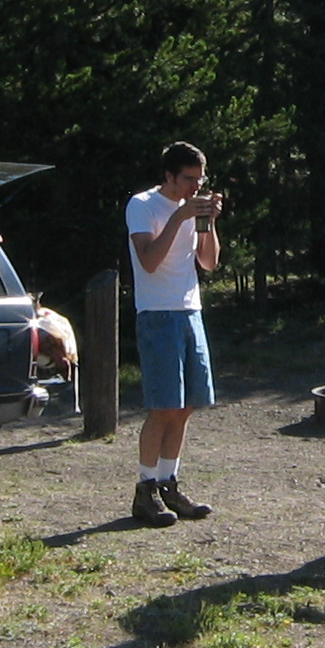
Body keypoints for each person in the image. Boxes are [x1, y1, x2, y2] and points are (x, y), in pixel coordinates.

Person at [125, 141, 222, 527]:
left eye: (201, 180)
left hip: (190, 311)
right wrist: (180, 217)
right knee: (163, 406)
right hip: (157, 314)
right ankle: (144, 489)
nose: (195, 187)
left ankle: (169, 483)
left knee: (185, 407)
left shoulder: (193, 208)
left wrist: (207, 222)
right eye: (188, 179)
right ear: (169, 176)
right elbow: (148, 261)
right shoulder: (142, 205)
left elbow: (209, 262)